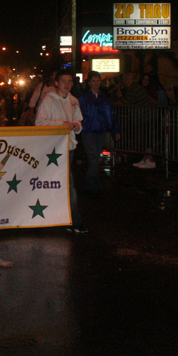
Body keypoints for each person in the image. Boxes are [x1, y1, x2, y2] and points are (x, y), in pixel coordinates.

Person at [36, 68, 86, 233]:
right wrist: (62, 124)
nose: (67, 84)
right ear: (56, 83)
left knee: (64, 182)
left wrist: (76, 126)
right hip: (53, 149)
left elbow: (78, 121)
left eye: (70, 81)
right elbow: (40, 122)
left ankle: (62, 217)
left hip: (69, 147)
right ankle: (73, 220)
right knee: (65, 183)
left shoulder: (73, 100)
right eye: (63, 81)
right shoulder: (49, 99)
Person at [79, 71, 122, 192]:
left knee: (95, 158)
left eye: (98, 80)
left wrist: (115, 130)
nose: (96, 83)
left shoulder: (105, 98)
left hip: (101, 131)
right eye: (93, 80)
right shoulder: (84, 98)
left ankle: (91, 183)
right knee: (92, 158)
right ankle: (93, 184)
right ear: (89, 83)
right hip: (88, 131)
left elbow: (111, 115)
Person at [116, 72, 157, 168]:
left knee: (147, 138)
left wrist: (111, 102)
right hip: (145, 116)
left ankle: (149, 159)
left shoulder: (133, 89)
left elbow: (124, 102)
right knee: (145, 138)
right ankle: (146, 158)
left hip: (146, 117)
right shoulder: (134, 88)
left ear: (127, 79)